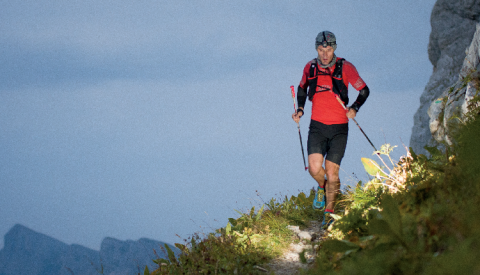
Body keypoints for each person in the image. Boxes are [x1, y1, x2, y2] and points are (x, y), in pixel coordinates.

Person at [292, 31, 370, 228]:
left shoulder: (346, 67)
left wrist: (354, 108)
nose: (324, 54)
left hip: (339, 128)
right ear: (316, 49)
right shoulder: (310, 67)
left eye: (328, 49)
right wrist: (300, 109)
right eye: (320, 49)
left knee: (332, 172)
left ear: (334, 48)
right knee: (314, 168)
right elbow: (302, 88)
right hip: (317, 126)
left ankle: (329, 213)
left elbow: (364, 90)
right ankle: (323, 187)